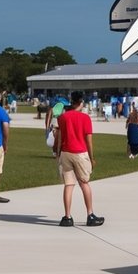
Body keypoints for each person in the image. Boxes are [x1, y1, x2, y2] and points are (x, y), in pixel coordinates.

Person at [53, 91, 104, 227]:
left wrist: (58, 153)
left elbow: (60, 138)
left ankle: (67, 216)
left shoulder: (63, 117)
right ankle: (90, 214)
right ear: (81, 103)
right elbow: (89, 140)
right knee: (84, 183)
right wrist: (92, 158)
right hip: (80, 152)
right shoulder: (85, 118)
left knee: (68, 185)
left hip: (65, 152)